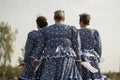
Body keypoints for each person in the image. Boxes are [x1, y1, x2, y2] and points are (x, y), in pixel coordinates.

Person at [32, 10, 82, 80]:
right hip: (67, 57)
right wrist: (78, 59)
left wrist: (37, 58)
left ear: (54, 18)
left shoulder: (46, 30)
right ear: (64, 18)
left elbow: (41, 45)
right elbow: (76, 44)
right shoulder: (71, 29)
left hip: (50, 57)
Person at [77, 13, 108, 80]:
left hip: (80, 59)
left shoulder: (77, 32)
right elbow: (98, 47)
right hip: (92, 57)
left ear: (81, 21)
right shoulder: (94, 32)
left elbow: (75, 46)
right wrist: (98, 58)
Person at [18, 16, 48, 80]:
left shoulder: (33, 34)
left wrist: (25, 61)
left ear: (37, 24)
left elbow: (28, 48)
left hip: (33, 61)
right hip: (46, 61)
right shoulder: (49, 35)